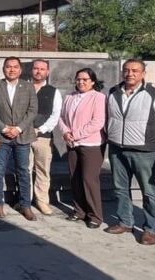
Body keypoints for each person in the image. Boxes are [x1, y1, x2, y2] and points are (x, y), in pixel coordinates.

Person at [104, 59, 155, 246]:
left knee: (148, 191)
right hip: (117, 148)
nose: (130, 74)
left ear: (143, 74)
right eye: (126, 70)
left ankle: (150, 229)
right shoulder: (113, 92)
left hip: (144, 151)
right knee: (120, 188)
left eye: (135, 70)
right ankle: (125, 222)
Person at [0, 56, 38, 221]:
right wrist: (3, 128)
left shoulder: (28, 87)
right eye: (8, 67)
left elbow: (32, 111)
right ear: (3, 69)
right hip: (2, 136)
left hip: (22, 136)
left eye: (15, 67)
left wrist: (17, 128)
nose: (12, 69)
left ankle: (26, 206)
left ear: (20, 69)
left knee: (23, 171)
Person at [59, 68, 106, 229]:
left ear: (92, 81)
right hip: (72, 144)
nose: (81, 82)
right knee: (75, 178)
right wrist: (65, 132)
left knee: (89, 179)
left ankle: (95, 215)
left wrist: (76, 134)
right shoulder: (69, 97)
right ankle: (79, 210)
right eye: (78, 79)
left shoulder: (98, 97)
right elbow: (62, 117)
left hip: (91, 144)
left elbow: (98, 122)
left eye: (85, 79)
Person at [28, 59, 62, 215]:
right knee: (24, 170)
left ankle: (41, 201)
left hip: (43, 137)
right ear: (31, 70)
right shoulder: (23, 88)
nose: (38, 71)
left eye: (42, 69)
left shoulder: (53, 91)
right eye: (36, 68)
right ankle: (25, 200)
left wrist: (40, 129)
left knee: (43, 170)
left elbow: (55, 116)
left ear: (47, 72)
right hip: (24, 136)